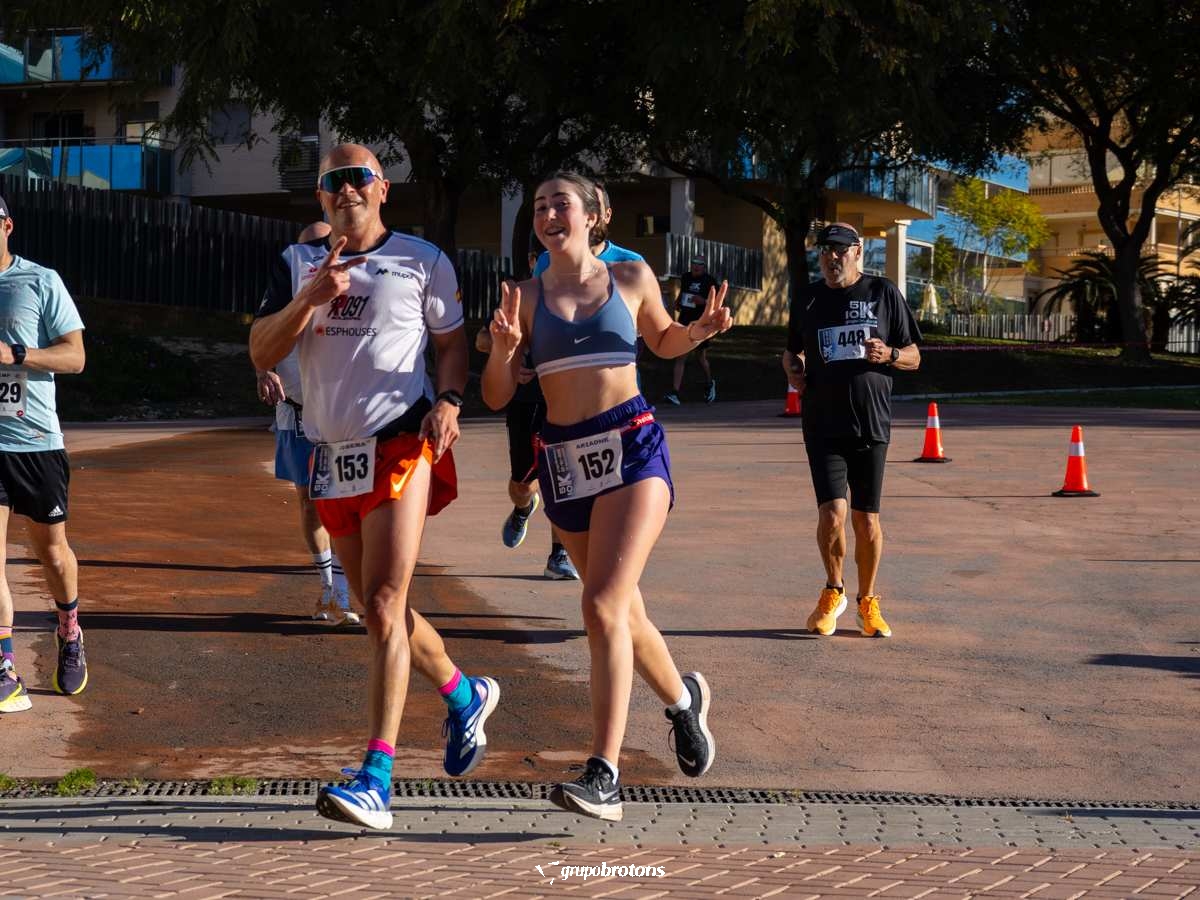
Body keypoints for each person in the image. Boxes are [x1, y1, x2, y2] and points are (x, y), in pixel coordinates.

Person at [251, 144, 499, 830]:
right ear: (320, 197)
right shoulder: (296, 263)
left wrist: (450, 399)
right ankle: (464, 694)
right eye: (333, 181)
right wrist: (308, 300)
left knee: (386, 602)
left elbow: (451, 343)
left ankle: (377, 780)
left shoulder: (423, 259)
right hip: (331, 455)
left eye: (359, 177)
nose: (347, 190)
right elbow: (261, 349)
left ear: (383, 189)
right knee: (376, 610)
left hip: (401, 441)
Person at [482, 172, 730, 822]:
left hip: (632, 447)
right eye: (539, 205)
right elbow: (497, 396)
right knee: (624, 612)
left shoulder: (630, 277)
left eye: (560, 203)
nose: (547, 213)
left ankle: (605, 775)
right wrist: (503, 351)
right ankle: (683, 703)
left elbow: (664, 339)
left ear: (592, 216)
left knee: (599, 605)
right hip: (564, 461)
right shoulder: (522, 296)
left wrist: (700, 331)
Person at [782, 222, 921, 640]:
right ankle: (834, 590)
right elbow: (791, 351)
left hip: (870, 422)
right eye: (825, 250)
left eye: (841, 250)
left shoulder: (882, 292)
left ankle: (868, 601)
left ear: (858, 252)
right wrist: (793, 370)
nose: (832, 257)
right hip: (822, 421)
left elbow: (914, 356)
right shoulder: (808, 298)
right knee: (831, 514)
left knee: (866, 519)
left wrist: (891, 354)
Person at [0, 194, 88, 714]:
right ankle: (5, 666)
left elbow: (75, 357)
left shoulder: (39, 280)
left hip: (36, 442)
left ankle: (69, 628)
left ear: (7, 225)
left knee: (52, 553)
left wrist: (14, 354)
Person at [255, 220, 360, 626]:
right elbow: (261, 338)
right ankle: (329, 587)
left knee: (344, 499)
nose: (319, 254)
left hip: (341, 414)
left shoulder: (356, 287)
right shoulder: (286, 285)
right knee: (309, 499)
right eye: (310, 248)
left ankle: (345, 591)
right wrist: (263, 369)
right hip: (294, 411)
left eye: (325, 244)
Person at [475, 244, 578, 580]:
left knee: (562, 479)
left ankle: (559, 554)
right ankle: (523, 508)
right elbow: (481, 339)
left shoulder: (578, 295)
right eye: (542, 257)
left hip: (563, 400)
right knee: (523, 483)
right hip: (526, 403)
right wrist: (506, 352)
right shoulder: (520, 297)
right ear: (533, 261)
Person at [531, 180, 644, 275]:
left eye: (595, 206)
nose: (589, 215)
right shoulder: (546, 261)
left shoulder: (632, 263)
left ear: (607, 215)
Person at [664, 255, 720, 405]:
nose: (696, 266)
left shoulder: (710, 281)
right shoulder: (686, 277)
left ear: (704, 267)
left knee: (700, 357)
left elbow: (717, 304)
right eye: (694, 263)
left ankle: (710, 383)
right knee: (681, 356)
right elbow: (683, 293)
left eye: (700, 264)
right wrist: (678, 302)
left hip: (701, 323)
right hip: (684, 321)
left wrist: (704, 301)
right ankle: (675, 393)